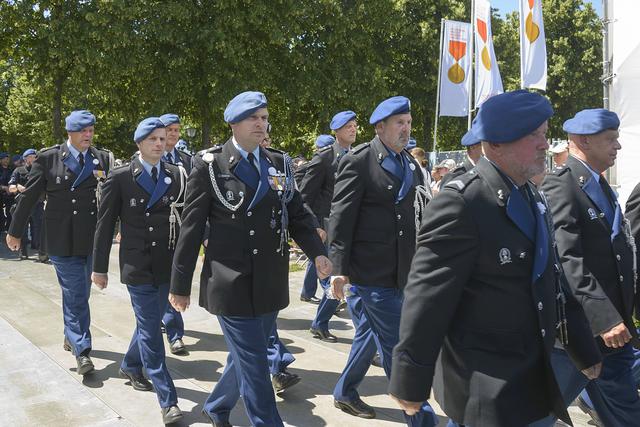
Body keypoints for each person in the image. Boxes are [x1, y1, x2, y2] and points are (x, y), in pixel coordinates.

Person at [388, 90, 602, 427]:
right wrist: (410, 379)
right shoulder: (463, 202)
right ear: (497, 144)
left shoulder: (533, 197)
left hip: (530, 376)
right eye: (534, 135)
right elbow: (427, 298)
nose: (545, 145)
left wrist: (583, 347)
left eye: (544, 134)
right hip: (484, 385)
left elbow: (553, 279)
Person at [168, 91, 330, 427]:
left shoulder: (278, 163)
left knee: (245, 357)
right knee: (256, 364)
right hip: (230, 281)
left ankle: (216, 406)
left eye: (264, 117)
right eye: (252, 118)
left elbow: (297, 213)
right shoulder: (210, 166)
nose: (261, 124)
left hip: (269, 282)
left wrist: (317, 254)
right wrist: (179, 285)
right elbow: (192, 229)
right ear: (234, 124)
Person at [328, 96, 436, 425]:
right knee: (400, 346)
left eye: (408, 122)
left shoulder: (410, 164)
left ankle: (345, 391)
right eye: (399, 123)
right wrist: (339, 269)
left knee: (370, 335)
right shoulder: (360, 161)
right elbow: (341, 217)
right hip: (371, 273)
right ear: (380, 127)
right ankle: (421, 416)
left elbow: (417, 215)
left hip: (403, 271)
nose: (406, 129)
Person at [539, 108, 640, 427]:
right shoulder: (562, 185)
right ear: (583, 140)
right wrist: (604, 319)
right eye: (610, 139)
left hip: (615, 334)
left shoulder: (601, 187)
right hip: (581, 334)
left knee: (628, 413)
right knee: (535, 416)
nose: (618, 147)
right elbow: (567, 259)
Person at [91, 117, 184, 425]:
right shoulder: (120, 178)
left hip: (165, 264)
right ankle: (168, 399)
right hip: (137, 265)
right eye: (153, 140)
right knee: (151, 332)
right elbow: (104, 227)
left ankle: (131, 364)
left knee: (151, 321)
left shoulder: (175, 175)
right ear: (139, 144)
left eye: (162, 139)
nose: (160, 143)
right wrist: (99, 268)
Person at [6, 110, 113, 376]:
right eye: (82, 131)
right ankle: (83, 350)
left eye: (91, 131)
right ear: (70, 133)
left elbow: (110, 199)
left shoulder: (100, 158)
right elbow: (29, 197)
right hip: (60, 238)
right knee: (76, 292)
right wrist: (15, 231)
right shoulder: (48, 158)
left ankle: (70, 334)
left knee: (80, 293)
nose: (88, 135)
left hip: (89, 238)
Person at [300, 113, 355, 340]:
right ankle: (321, 323)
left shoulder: (358, 156)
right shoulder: (324, 158)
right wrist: (314, 226)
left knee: (342, 277)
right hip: (327, 227)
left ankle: (320, 322)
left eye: (355, 126)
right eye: (348, 127)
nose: (353, 130)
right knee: (336, 276)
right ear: (337, 130)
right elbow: (303, 197)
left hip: (349, 227)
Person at [158, 113, 191, 356]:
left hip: (180, 229)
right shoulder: (148, 157)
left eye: (177, 130)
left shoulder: (186, 161)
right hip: (155, 232)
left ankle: (175, 334)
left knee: (174, 279)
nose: (173, 134)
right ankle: (165, 320)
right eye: (169, 129)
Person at [8, 149, 47, 261]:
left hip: (37, 204)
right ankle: (22, 251)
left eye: (35, 156)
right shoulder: (18, 170)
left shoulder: (41, 170)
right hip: (22, 204)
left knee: (39, 229)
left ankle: (42, 253)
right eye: (31, 157)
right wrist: (17, 187)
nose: (33, 159)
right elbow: (11, 187)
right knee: (22, 228)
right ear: (25, 158)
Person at [0, 152, 14, 232]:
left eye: (7, 159)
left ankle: (9, 229)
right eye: (4, 159)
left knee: (10, 212)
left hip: (9, 195)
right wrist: (4, 187)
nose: (6, 160)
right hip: (1, 193)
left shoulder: (11, 169)